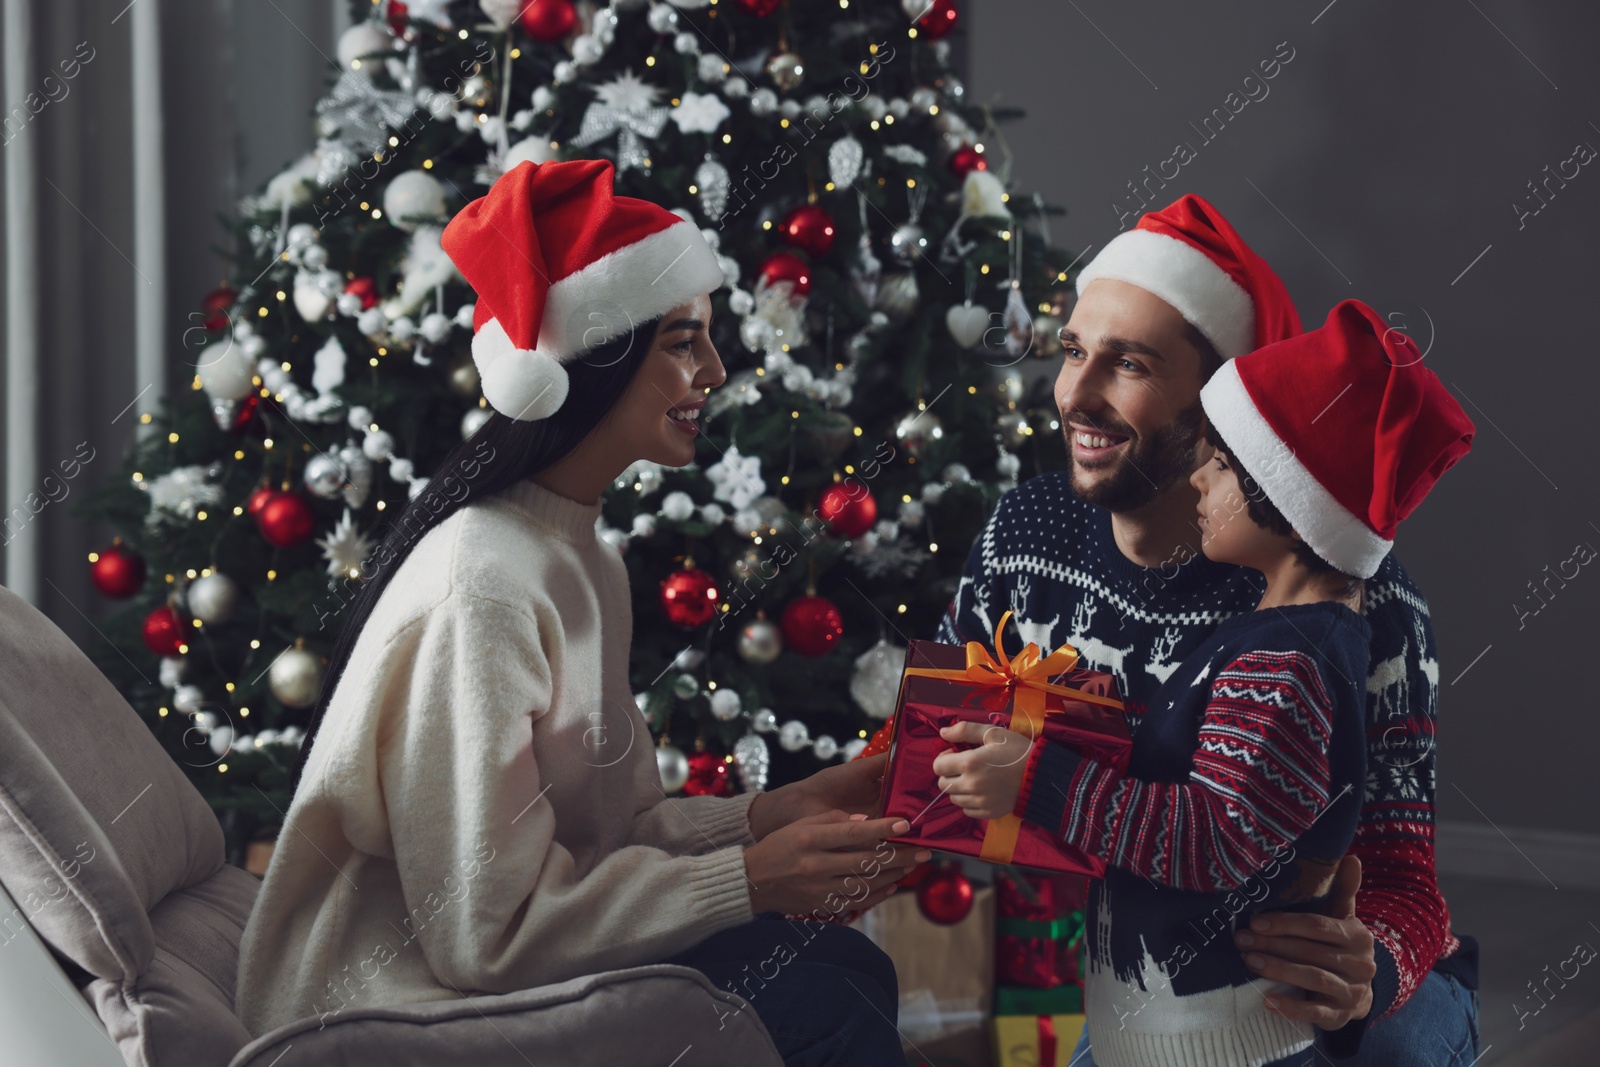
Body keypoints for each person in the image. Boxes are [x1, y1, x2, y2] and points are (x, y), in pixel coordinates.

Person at [235, 159, 924, 1066]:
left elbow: (606, 836)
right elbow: (482, 933)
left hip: (488, 965)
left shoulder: (579, 556)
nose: (714, 370)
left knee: (847, 967)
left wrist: (769, 815)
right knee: (822, 1004)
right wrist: (750, 880)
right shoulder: (482, 583)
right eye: (683, 340)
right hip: (385, 1007)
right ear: (595, 359)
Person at [926, 195, 1480, 1063]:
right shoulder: (1022, 537)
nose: (1075, 392)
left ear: (1221, 398)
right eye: (1073, 351)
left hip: (1318, 1007)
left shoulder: (1361, 604)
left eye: (1130, 364)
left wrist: (1374, 960)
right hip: (1154, 1001)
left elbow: (1407, 879)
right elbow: (935, 746)